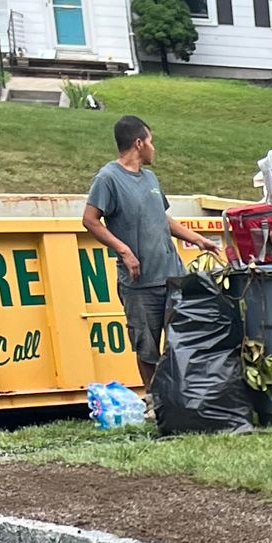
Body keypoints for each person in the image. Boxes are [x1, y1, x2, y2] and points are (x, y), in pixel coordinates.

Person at [82, 117, 210, 388]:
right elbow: (90, 220)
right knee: (146, 347)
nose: (154, 148)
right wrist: (124, 250)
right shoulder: (108, 179)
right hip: (141, 285)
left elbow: (162, 218)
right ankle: (154, 401)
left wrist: (197, 239)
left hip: (173, 277)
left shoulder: (151, 178)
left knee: (182, 340)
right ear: (138, 144)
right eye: (151, 141)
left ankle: (183, 398)